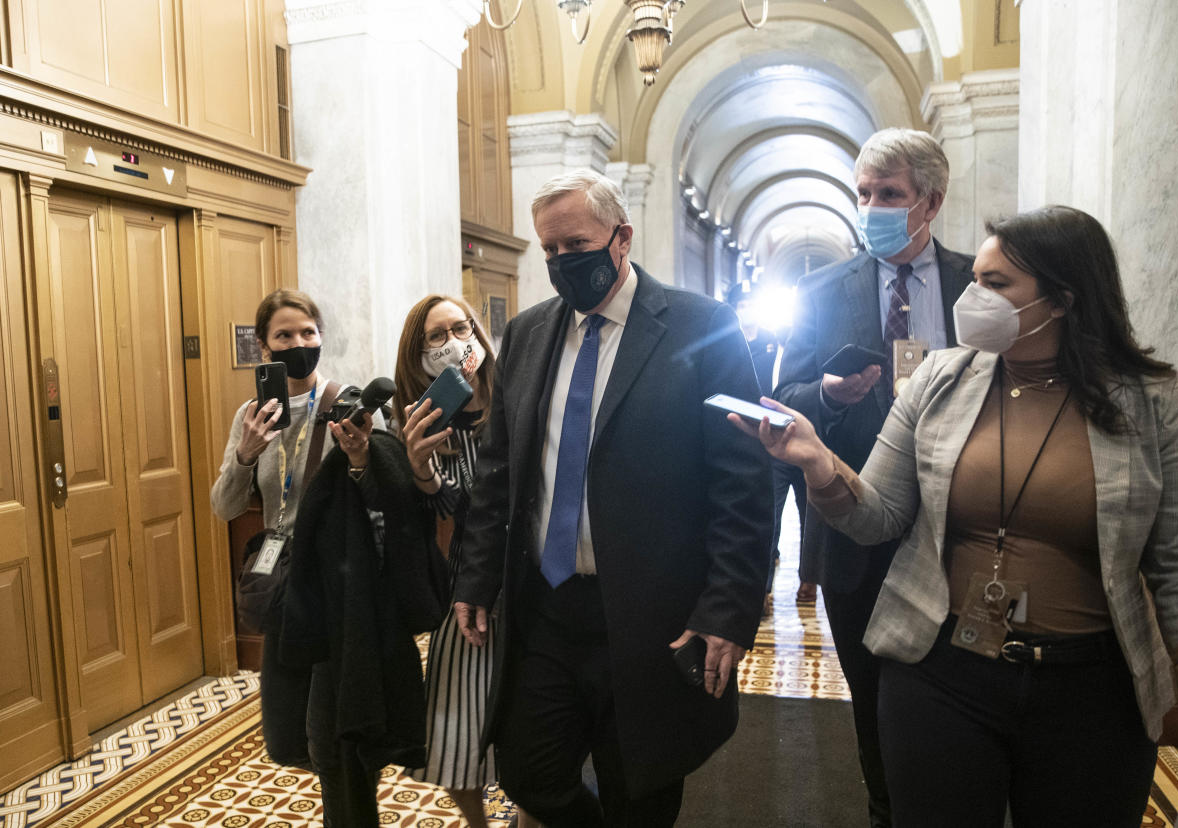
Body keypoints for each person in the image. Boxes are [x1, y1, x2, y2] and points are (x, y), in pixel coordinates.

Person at [738, 205, 1178, 826]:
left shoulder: (1148, 402)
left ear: (1060, 299)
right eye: (975, 278)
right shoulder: (939, 379)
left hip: (1092, 687)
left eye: (996, 284)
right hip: (941, 671)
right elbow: (880, 515)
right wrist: (820, 464)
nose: (972, 296)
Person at [452, 169, 773, 827]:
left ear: (621, 237)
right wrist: (475, 578)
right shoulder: (528, 334)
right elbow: (499, 474)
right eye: (549, 251)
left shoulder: (701, 327)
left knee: (642, 790)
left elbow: (742, 487)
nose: (563, 263)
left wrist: (728, 608)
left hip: (651, 613)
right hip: (546, 608)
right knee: (530, 774)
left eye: (576, 245)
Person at [773, 126, 974, 827]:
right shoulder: (823, 287)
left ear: (931, 201)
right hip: (854, 531)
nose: (872, 206)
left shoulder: (978, 281)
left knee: (956, 705)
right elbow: (785, 398)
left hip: (961, 533)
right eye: (863, 193)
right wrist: (826, 396)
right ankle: (886, 811)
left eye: (889, 194)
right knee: (874, 704)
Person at [210, 289, 412, 826]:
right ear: (263, 345)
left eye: (308, 333)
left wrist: (361, 454)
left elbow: (388, 497)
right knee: (287, 736)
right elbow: (224, 506)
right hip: (285, 587)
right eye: (284, 335)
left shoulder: (349, 404)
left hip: (343, 589)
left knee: (337, 739)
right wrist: (245, 454)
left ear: (320, 336)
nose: (298, 344)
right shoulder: (250, 416)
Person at [392, 294, 535, 828]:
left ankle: (527, 818)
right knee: (454, 726)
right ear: (418, 352)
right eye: (437, 336)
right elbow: (450, 513)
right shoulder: (419, 424)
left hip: (526, 585)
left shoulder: (513, 397)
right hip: (464, 590)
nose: (454, 343)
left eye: (462, 327)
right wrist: (422, 470)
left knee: (533, 725)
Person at [726, 281, 805, 615]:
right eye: (740, 304)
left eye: (750, 303)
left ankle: (809, 576)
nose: (746, 309)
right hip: (750, 438)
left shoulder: (777, 343)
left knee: (808, 513)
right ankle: (763, 588)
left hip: (790, 435)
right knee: (767, 514)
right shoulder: (726, 345)